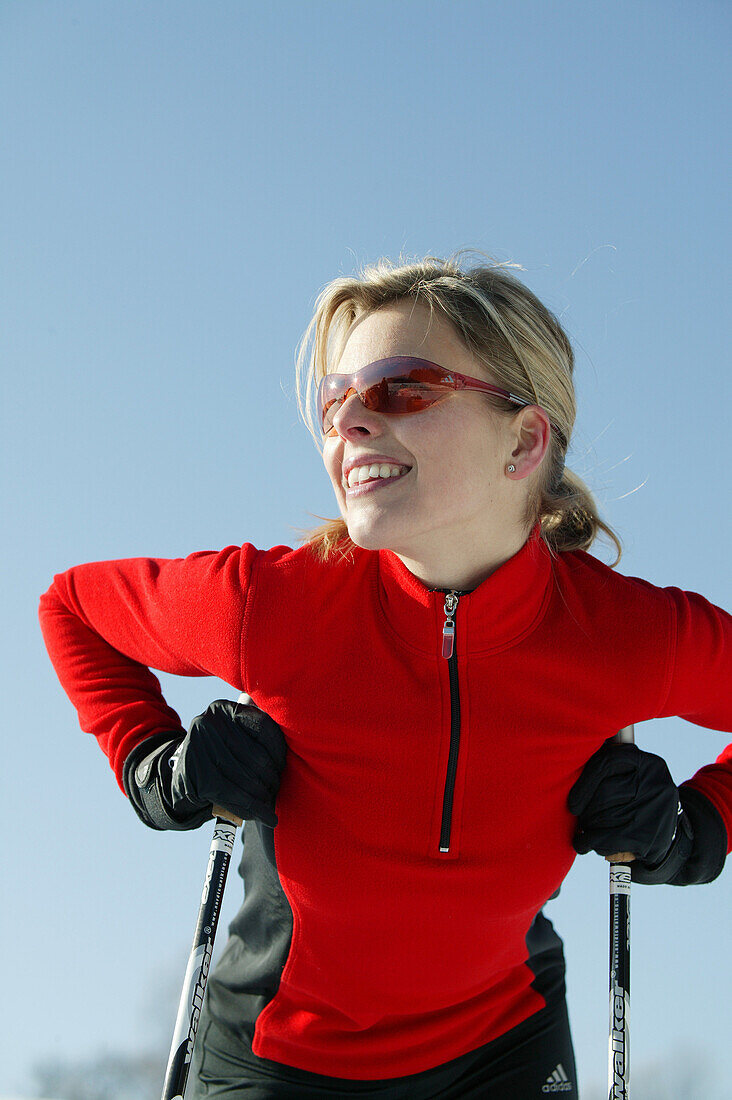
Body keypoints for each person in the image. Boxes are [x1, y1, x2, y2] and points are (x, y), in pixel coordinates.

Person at [38, 250, 731, 1099]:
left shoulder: (622, 638)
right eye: (337, 399)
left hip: (503, 1045)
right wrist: (156, 767)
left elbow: (694, 816)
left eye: (402, 387)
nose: (351, 423)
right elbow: (71, 607)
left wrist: (693, 829)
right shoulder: (272, 605)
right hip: (278, 1057)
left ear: (523, 438)